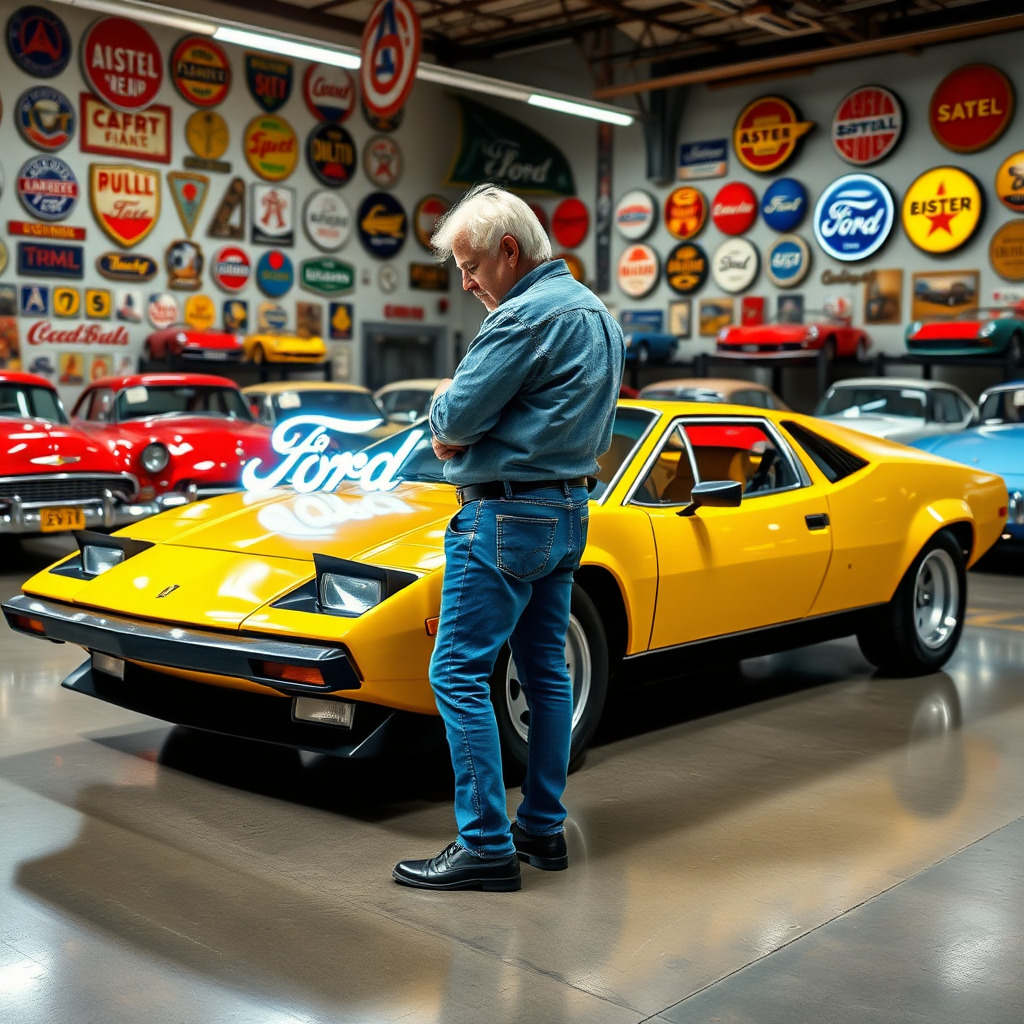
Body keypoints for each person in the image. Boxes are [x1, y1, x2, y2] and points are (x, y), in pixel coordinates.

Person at [392, 184, 624, 892]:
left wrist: (450, 420)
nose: (466, 282)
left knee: (455, 673)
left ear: (509, 252)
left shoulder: (521, 318)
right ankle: (540, 831)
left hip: (502, 516)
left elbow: (454, 420)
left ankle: (485, 844)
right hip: (568, 514)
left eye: (470, 266)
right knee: (547, 673)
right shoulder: (600, 317)